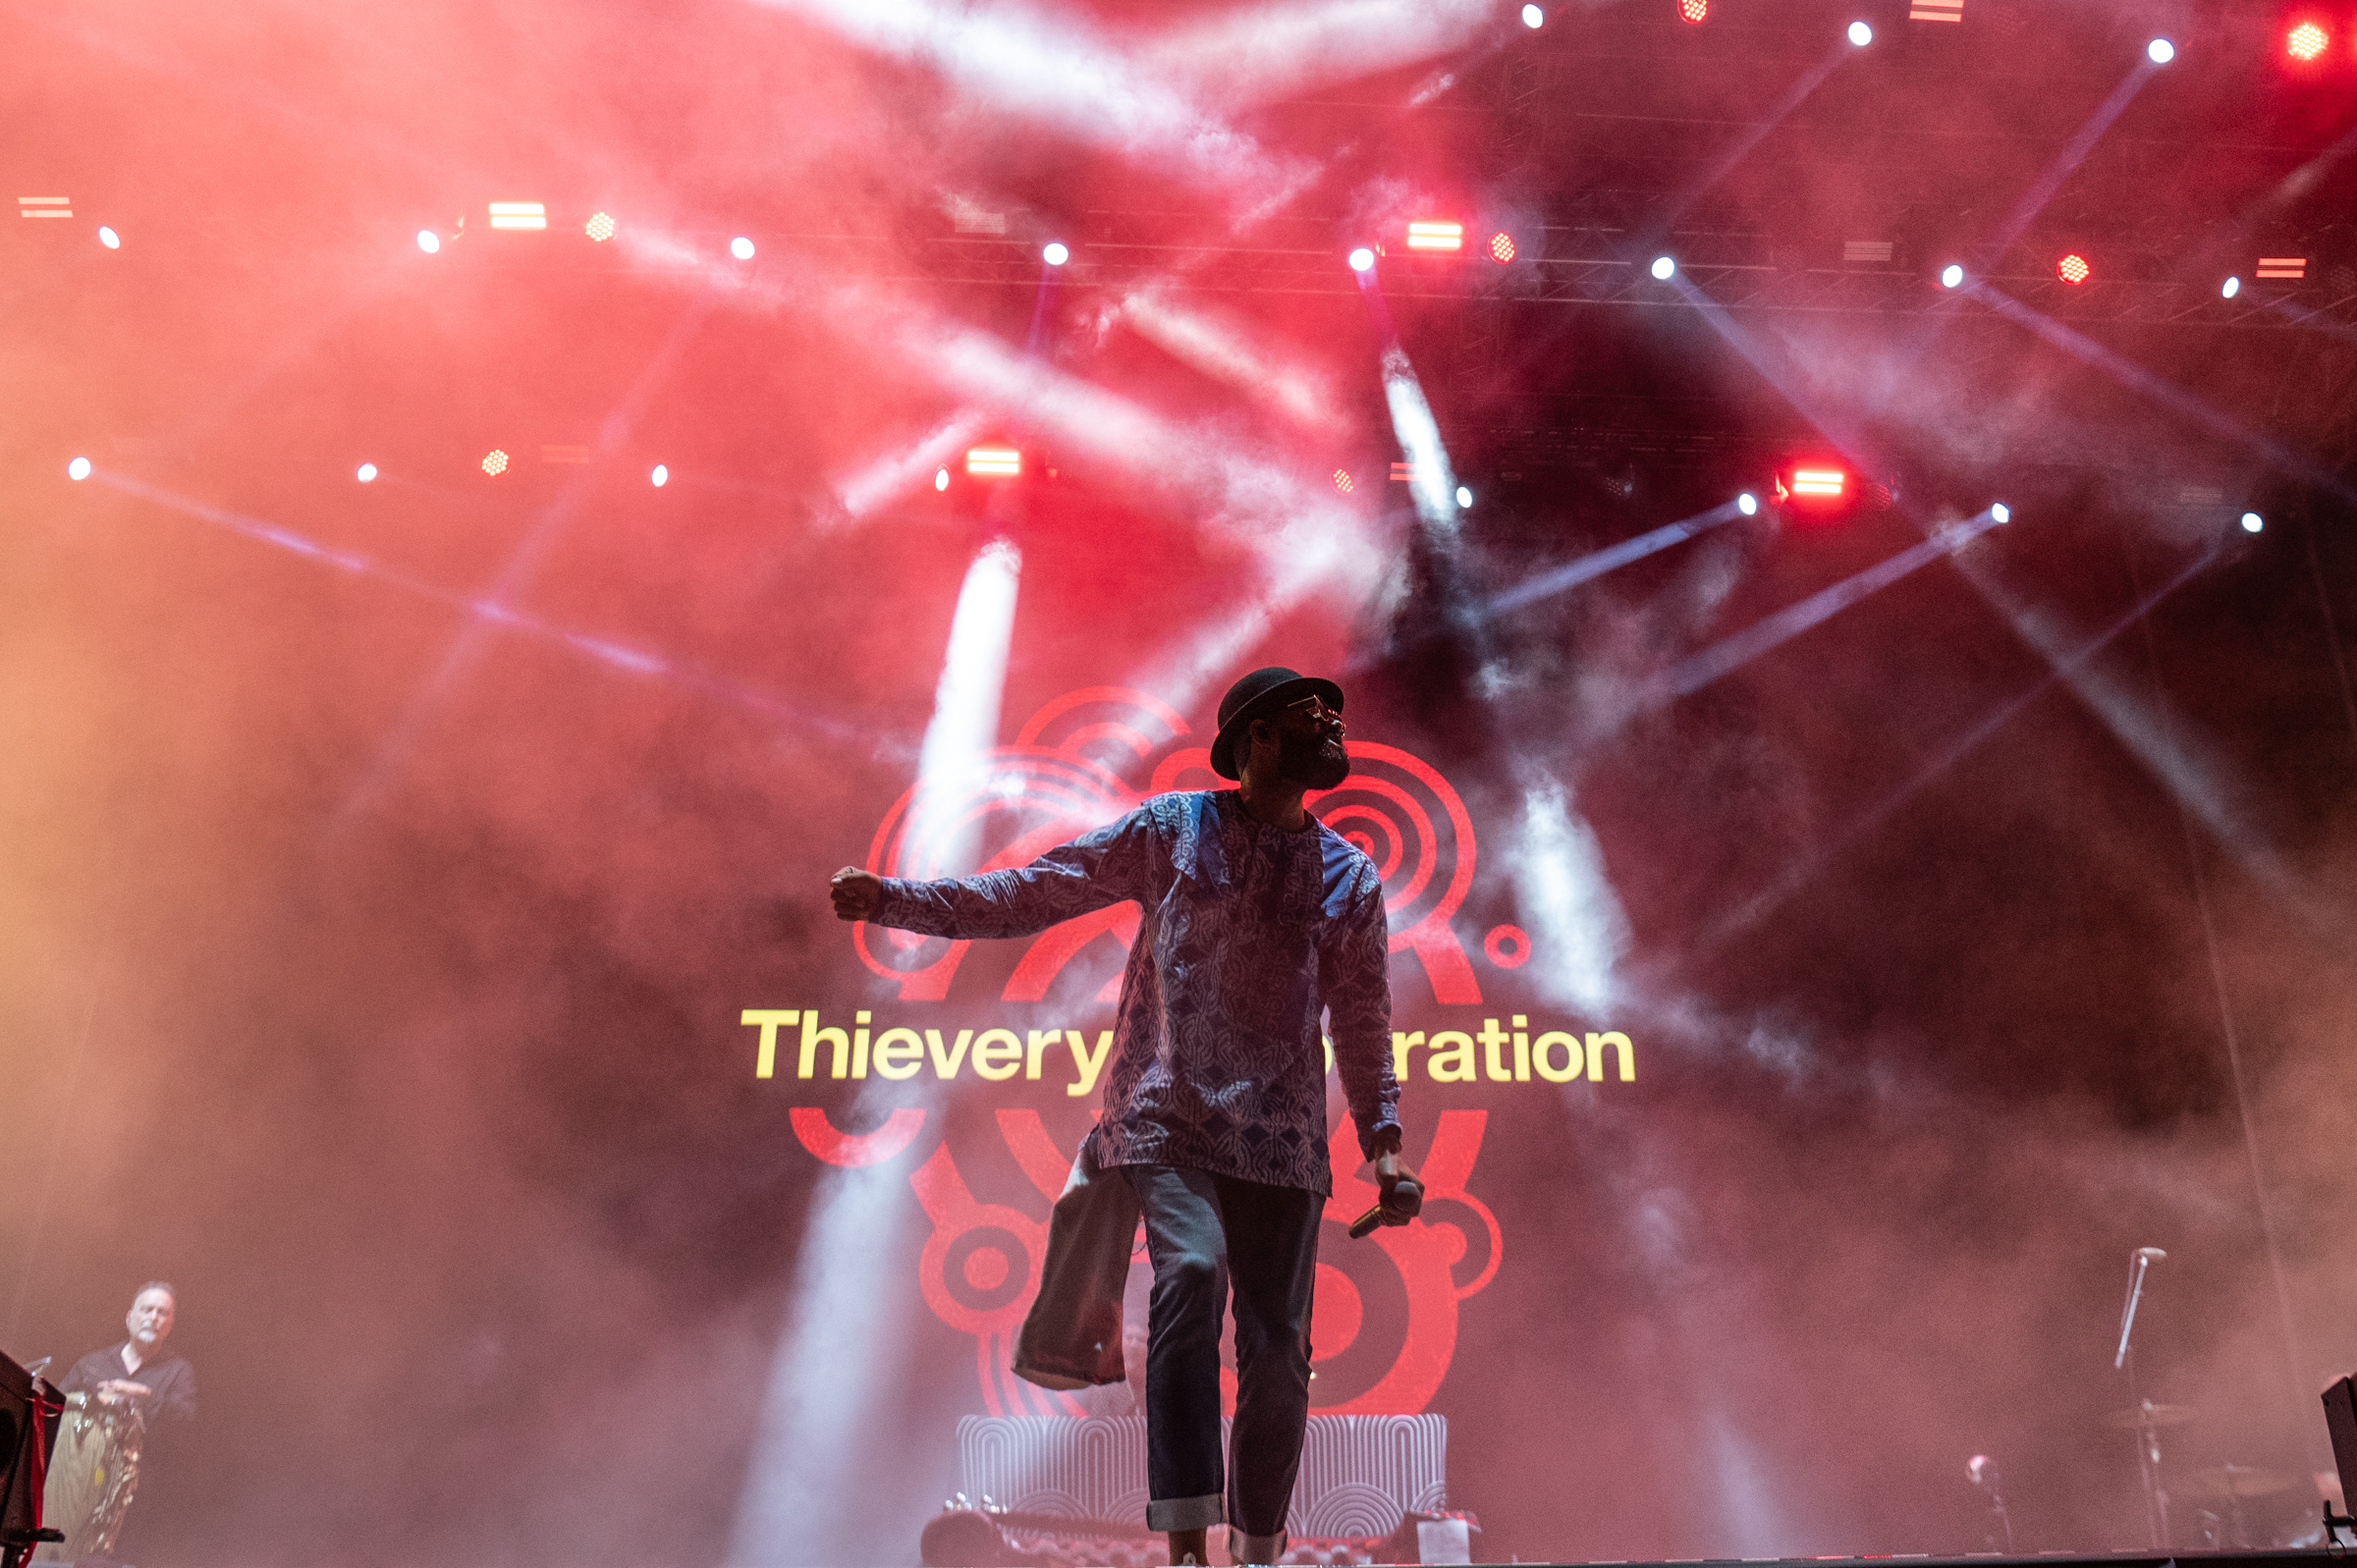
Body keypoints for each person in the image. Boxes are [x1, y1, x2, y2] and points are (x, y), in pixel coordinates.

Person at [832, 666, 1419, 1567]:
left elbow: (1365, 1018)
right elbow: (1038, 888)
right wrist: (897, 900)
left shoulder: (1349, 875)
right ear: (1256, 737)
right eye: (1310, 712)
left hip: (1285, 1146)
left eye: (1334, 712)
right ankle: (1186, 1545)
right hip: (1167, 1121)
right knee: (1192, 1271)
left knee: (1277, 1350)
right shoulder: (1173, 830)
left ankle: (1257, 1550)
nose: (1331, 723)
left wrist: (1385, 1146)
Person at [60, 1282, 195, 1427]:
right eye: (147, 1310)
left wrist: (145, 1396)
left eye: (162, 1312)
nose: (153, 1318)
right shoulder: (91, 1363)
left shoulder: (178, 1371)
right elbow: (55, 1406)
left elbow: (185, 1423)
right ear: (129, 1318)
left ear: (169, 1326)